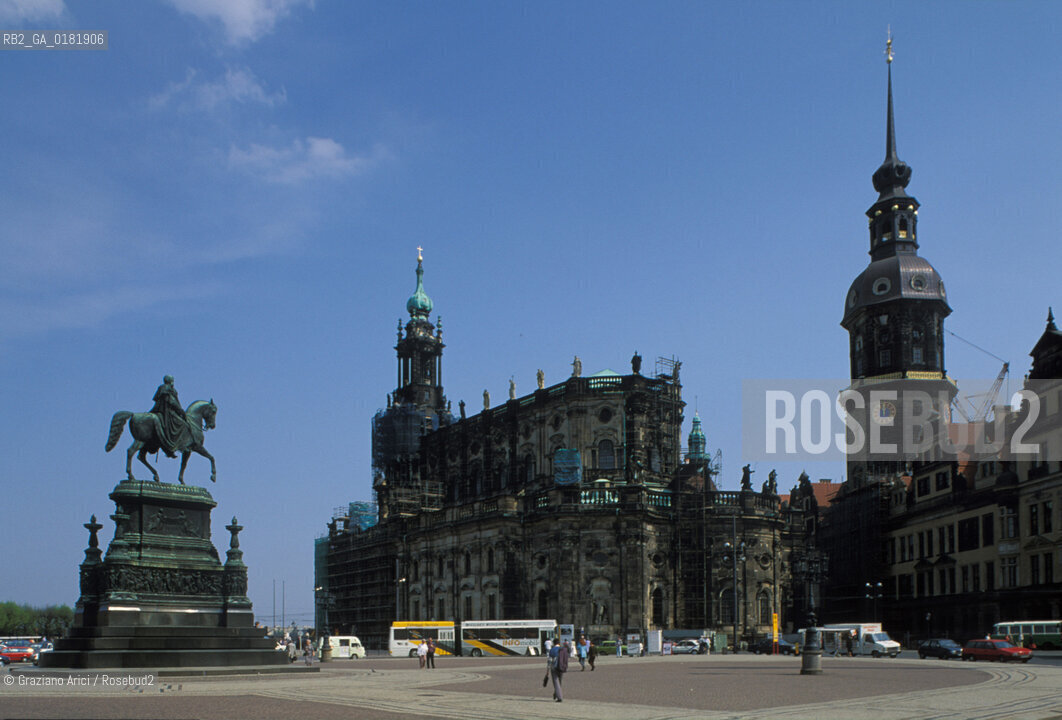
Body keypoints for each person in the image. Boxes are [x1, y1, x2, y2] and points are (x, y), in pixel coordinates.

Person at [149, 375, 189, 458]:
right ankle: (173, 446)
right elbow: (173, 402)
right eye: (172, 380)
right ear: (170, 381)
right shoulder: (170, 389)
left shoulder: (161, 388)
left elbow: (156, 399)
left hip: (158, 410)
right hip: (167, 412)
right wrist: (181, 411)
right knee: (182, 424)